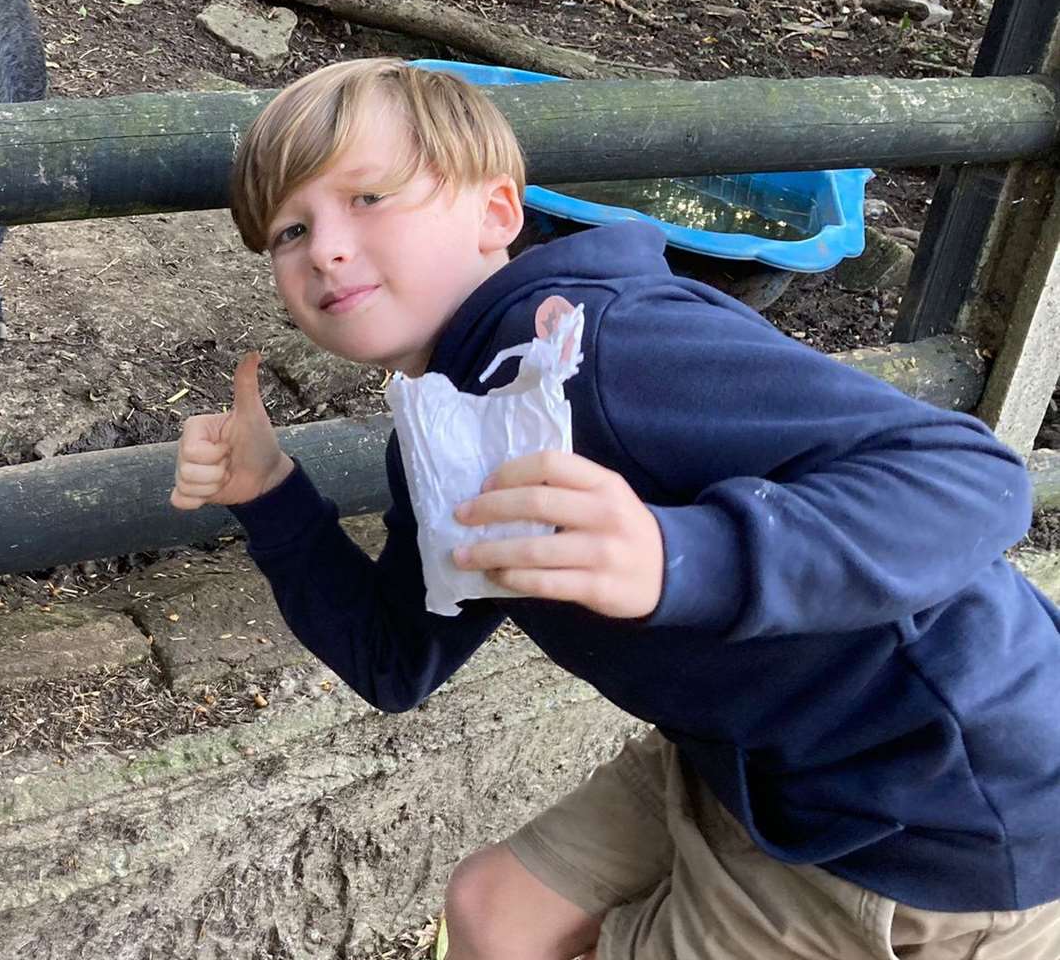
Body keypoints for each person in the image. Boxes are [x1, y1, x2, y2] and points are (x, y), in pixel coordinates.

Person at [169, 56, 1060, 959]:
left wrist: (684, 559)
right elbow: (396, 659)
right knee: (493, 915)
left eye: (368, 198)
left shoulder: (615, 350)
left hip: (933, 816)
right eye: (288, 230)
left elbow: (970, 475)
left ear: (497, 213)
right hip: (755, 759)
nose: (324, 247)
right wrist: (272, 496)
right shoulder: (447, 425)